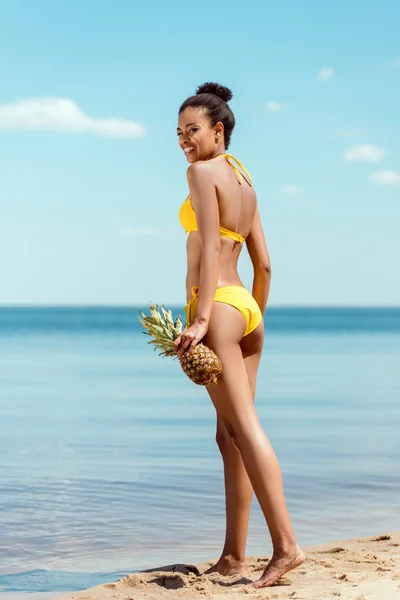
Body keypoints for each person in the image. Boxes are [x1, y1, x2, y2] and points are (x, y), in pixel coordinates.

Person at [173, 82, 305, 589]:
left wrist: (205, 319)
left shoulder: (202, 173)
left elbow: (209, 249)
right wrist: (253, 317)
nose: (185, 140)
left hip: (221, 309)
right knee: (229, 436)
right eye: (179, 133)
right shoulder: (244, 178)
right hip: (246, 309)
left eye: (193, 130)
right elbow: (265, 264)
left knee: (244, 431)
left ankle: (287, 546)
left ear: (217, 130)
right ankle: (233, 556)